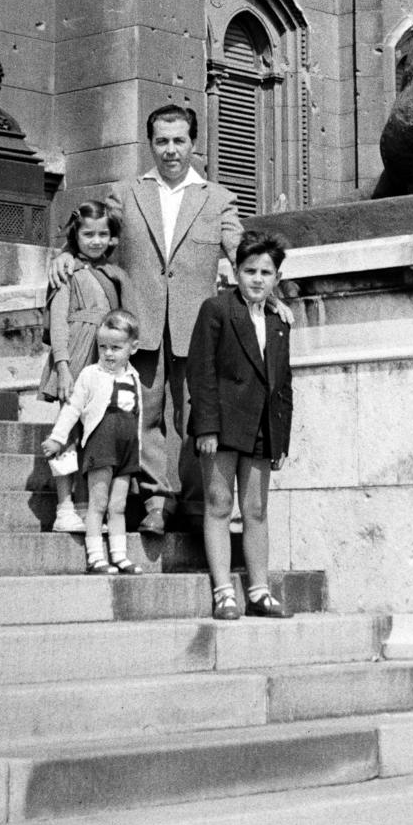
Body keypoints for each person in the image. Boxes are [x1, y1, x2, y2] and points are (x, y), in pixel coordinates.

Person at [49, 104, 242, 535]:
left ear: (193, 143)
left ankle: (195, 502)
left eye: (179, 141)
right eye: (161, 141)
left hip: (199, 331)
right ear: (150, 144)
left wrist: (277, 290)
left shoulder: (218, 198)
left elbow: (242, 251)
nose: (170, 150)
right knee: (145, 414)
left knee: (197, 417)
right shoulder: (128, 193)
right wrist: (64, 256)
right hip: (141, 327)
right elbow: (93, 235)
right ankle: (157, 501)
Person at [186, 230, 294, 621]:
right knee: (218, 505)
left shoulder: (279, 320)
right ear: (235, 271)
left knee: (256, 509)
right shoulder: (215, 310)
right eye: (250, 270)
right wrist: (207, 428)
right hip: (222, 425)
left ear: (277, 278)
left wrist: (280, 438)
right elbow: (201, 372)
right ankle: (223, 591)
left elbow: (283, 382)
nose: (257, 279)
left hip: (263, 428)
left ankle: (260, 591)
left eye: (266, 272)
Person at [38, 201, 132, 533]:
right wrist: (63, 367)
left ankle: (90, 507)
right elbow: (59, 325)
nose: (95, 241)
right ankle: (64, 507)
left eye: (103, 234)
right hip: (75, 355)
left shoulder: (114, 274)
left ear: (112, 238)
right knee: (68, 428)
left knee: (99, 434)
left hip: (105, 357)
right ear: (75, 235)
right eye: (88, 234)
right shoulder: (67, 271)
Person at [41, 312, 144, 575]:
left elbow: (138, 417)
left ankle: (119, 556)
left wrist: (138, 453)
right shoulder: (91, 375)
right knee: (98, 504)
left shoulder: (133, 377)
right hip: (102, 446)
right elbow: (73, 408)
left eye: (116, 348)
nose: (109, 353)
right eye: (103, 347)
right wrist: (57, 438)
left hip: (126, 450)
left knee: (118, 505)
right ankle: (96, 556)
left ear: (133, 348)